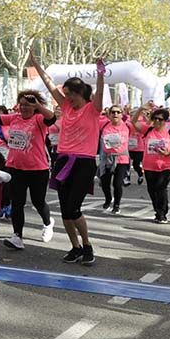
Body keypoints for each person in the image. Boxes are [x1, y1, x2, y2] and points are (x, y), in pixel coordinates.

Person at [31, 52, 105, 265]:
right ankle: (75, 247)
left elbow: (100, 91)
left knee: (74, 207)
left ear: (80, 92)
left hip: (84, 162)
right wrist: (35, 62)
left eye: (71, 94)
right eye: (66, 94)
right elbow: (49, 84)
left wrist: (100, 72)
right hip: (63, 160)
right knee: (65, 209)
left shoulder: (93, 109)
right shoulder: (65, 107)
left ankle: (87, 245)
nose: (68, 98)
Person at [0, 86, 56, 249]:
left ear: (35, 106)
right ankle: (17, 236)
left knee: (38, 202)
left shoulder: (39, 119)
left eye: (28, 105)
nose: (24, 107)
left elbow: (51, 118)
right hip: (15, 167)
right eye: (21, 104)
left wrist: (38, 105)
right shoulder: (14, 118)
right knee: (17, 202)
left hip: (37, 169)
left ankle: (48, 223)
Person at [131, 106, 170, 224]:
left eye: (160, 119)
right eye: (155, 118)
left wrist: (168, 153)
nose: (157, 121)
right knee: (152, 190)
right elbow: (134, 121)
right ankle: (158, 211)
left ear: (165, 121)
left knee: (160, 187)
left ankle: (162, 213)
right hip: (149, 166)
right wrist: (140, 109)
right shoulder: (147, 130)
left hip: (166, 166)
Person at [99, 105, 133, 215]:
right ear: (109, 115)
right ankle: (108, 198)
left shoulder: (127, 125)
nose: (115, 114)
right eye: (113, 112)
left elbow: (141, 126)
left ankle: (117, 205)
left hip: (121, 158)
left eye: (118, 112)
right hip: (107, 158)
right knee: (104, 183)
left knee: (117, 184)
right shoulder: (104, 124)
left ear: (122, 114)